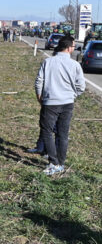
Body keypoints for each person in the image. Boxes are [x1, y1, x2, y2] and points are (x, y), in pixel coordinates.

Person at [34, 37, 85, 175]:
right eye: (74, 46)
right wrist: (72, 96)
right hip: (67, 103)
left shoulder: (48, 62)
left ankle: (53, 161)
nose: (74, 49)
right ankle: (60, 163)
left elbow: (39, 81)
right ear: (69, 48)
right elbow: (81, 86)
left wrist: (40, 97)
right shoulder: (75, 65)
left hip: (50, 102)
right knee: (62, 134)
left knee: (47, 131)